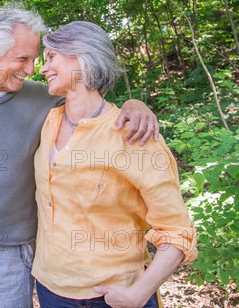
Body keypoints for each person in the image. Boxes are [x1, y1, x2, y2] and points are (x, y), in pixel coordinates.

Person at [0, 6, 160, 308]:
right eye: (22, 58)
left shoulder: (45, 97)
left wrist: (135, 105)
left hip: (17, 250)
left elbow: (95, 103)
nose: (31, 69)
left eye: (35, 59)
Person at [33, 21, 197, 308]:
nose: (43, 68)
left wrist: (138, 294)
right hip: (50, 289)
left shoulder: (133, 134)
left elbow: (177, 231)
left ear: (82, 56)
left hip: (111, 296)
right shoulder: (47, 121)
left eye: (51, 57)